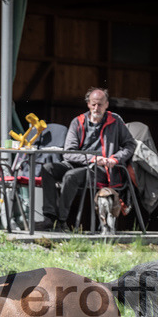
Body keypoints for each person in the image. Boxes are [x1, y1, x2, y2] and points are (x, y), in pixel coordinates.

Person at [39, 87, 135, 231]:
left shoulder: (115, 121)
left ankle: (61, 221)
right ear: (88, 104)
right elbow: (68, 153)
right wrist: (92, 158)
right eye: (93, 104)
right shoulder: (77, 122)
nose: (96, 108)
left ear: (107, 104)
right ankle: (49, 218)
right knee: (48, 169)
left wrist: (115, 159)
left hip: (101, 169)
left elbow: (130, 144)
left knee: (71, 176)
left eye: (100, 104)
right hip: (79, 164)